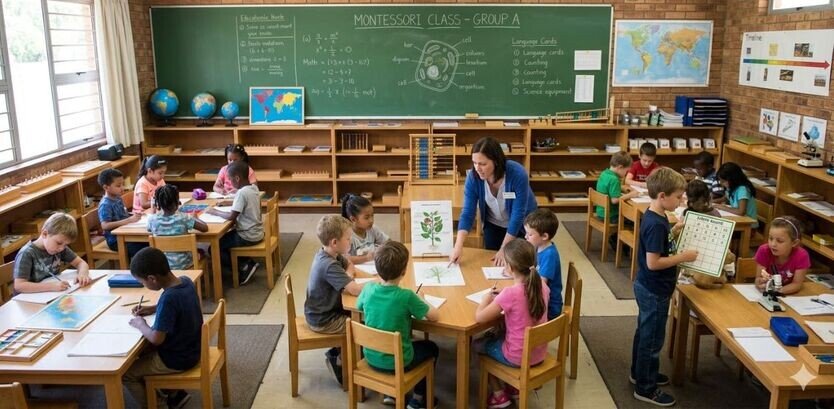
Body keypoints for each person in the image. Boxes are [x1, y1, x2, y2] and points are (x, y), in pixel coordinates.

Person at [631, 167, 697, 407]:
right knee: (652, 338)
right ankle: (645, 388)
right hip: (654, 289)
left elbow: (660, 244)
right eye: (678, 197)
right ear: (662, 196)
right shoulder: (657, 224)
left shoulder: (656, 218)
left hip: (648, 286)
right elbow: (654, 262)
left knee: (644, 333)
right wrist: (684, 257)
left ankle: (640, 373)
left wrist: (674, 230)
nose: (682, 200)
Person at [357, 241, 439, 409]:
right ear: (404, 271)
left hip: (371, 356)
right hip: (400, 362)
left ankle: (390, 394)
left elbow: (359, 307)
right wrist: (422, 299)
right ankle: (418, 399)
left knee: (387, 332)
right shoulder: (407, 296)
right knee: (432, 348)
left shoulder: (368, 289)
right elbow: (434, 316)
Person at [474, 239, 549, 409]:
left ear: (510, 268)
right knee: (498, 333)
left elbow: (480, 317)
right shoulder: (542, 286)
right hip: (539, 353)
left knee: (478, 344)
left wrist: (485, 300)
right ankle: (513, 388)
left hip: (517, 357)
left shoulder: (510, 293)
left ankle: (499, 395)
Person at [123, 247, 202, 409]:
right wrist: (153, 308)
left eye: (142, 282)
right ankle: (175, 393)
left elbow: (156, 338)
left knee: (127, 373)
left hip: (177, 359)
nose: (144, 285)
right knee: (143, 353)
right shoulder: (185, 281)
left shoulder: (169, 298)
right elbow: (176, 306)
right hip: (192, 349)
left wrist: (141, 324)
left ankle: (158, 405)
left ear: (152, 279)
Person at [452, 137, 537, 267]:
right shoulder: (473, 178)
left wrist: (504, 248)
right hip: (494, 224)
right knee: (493, 263)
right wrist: (458, 245)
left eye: (483, 164)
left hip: (522, 226)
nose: (477, 168)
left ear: (496, 161)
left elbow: (518, 214)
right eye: (474, 163)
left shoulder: (517, 174)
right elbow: (468, 212)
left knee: (519, 265)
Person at [305, 215, 366, 386]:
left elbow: (349, 265)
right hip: (323, 319)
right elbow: (354, 290)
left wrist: (347, 276)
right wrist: (380, 285)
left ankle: (339, 354)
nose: (351, 241)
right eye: (348, 238)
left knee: (362, 316)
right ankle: (341, 363)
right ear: (334, 242)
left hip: (323, 311)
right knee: (363, 327)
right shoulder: (329, 265)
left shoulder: (329, 253)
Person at [206, 161, 264, 285]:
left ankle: (242, 268)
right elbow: (242, 204)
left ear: (237, 178)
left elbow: (231, 217)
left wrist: (214, 212)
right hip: (257, 232)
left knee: (214, 248)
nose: (230, 183)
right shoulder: (253, 188)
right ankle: (248, 262)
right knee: (225, 240)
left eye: (230, 180)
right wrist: (228, 203)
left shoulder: (241, 193)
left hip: (247, 235)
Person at [13, 213, 91, 293]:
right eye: (59, 243)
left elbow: (81, 263)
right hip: (28, 300)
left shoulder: (60, 248)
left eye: (66, 245)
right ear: (45, 234)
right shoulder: (27, 253)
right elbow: (19, 286)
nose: (61, 248)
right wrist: (51, 286)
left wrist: (83, 274)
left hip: (50, 295)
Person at [147, 184, 209, 270]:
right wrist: (195, 218)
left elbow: (149, 229)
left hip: (162, 264)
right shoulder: (184, 218)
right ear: (177, 201)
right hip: (184, 262)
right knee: (202, 251)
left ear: (158, 203)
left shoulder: (152, 220)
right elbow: (205, 228)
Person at [754, 216, 810, 295]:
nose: (773, 244)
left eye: (779, 241)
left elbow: (797, 284)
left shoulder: (802, 256)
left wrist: (777, 291)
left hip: (788, 296)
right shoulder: (764, 250)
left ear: (794, 243)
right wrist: (760, 282)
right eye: (770, 238)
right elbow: (758, 279)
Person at [97, 168, 146, 258]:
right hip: (115, 241)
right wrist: (129, 220)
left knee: (147, 243)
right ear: (106, 187)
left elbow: (123, 215)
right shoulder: (105, 204)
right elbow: (105, 225)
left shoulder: (118, 198)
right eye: (118, 186)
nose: (122, 188)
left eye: (122, 184)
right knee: (142, 250)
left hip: (126, 234)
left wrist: (135, 215)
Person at [597, 151, 640, 251]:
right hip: (611, 215)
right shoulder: (614, 180)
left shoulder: (605, 173)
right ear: (620, 167)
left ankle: (616, 238)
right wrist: (630, 195)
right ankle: (618, 239)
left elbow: (608, 188)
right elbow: (615, 200)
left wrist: (622, 189)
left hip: (601, 212)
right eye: (626, 171)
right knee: (636, 220)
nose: (625, 174)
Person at [524, 209, 563, 320]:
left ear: (544, 236)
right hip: (541, 301)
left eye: (530, 234)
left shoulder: (549, 255)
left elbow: (541, 284)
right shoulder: (539, 247)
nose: (525, 237)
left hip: (549, 308)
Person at [341, 193, 389, 265]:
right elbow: (343, 259)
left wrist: (383, 249)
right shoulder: (347, 235)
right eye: (366, 217)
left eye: (372, 215)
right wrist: (366, 258)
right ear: (353, 219)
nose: (371, 220)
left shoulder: (372, 229)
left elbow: (388, 242)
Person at [715, 162, 758, 228]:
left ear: (733, 179)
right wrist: (712, 201)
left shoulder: (742, 190)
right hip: (738, 222)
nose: (721, 183)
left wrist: (724, 208)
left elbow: (741, 212)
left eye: (723, 181)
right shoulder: (732, 187)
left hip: (748, 227)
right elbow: (725, 197)